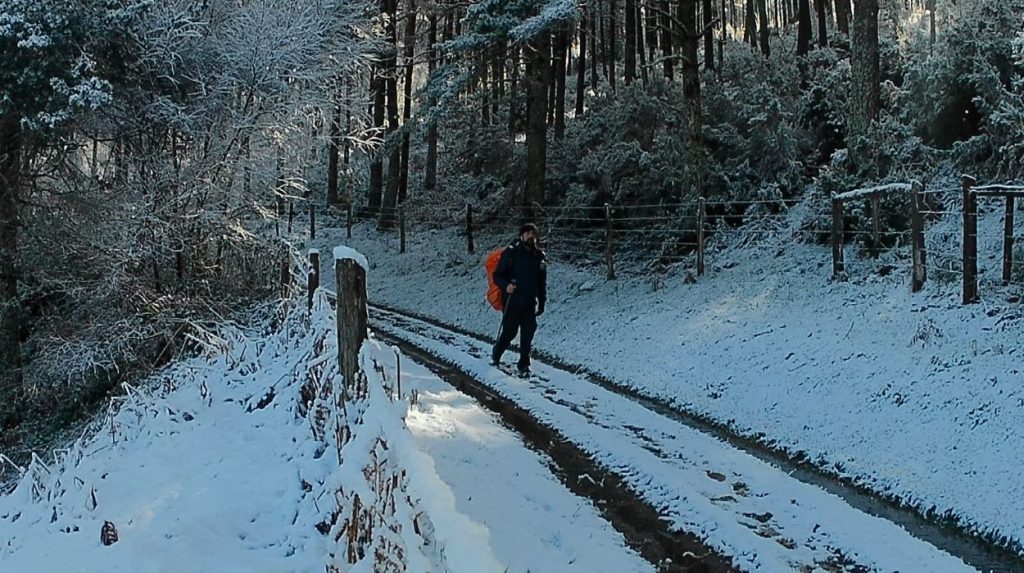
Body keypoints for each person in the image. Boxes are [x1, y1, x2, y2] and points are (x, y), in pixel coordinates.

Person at [491, 223, 547, 374]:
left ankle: (524, 363)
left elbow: (541, 282)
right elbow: (497, 275)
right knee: (510, 331)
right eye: (527, 233)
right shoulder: (511, 253)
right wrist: (506, 286)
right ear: (521, 236)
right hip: (512, 301)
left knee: (528, 331)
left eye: (533, 233)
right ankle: (497, 353)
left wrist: (542, 302)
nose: (530, 236)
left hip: (529, 302)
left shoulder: (539, 256)